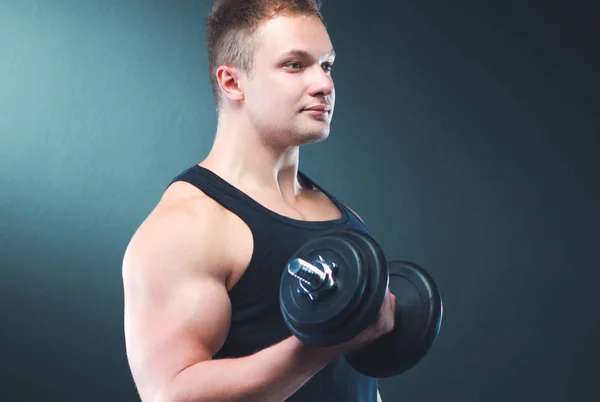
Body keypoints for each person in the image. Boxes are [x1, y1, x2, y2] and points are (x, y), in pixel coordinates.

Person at [122, 1, 396, 401]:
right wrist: (319, 346)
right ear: (233, 82)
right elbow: (170, 394)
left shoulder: (345, 220)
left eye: (327, 65)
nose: (324, 84)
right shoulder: (188, 226)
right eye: (295, 65)